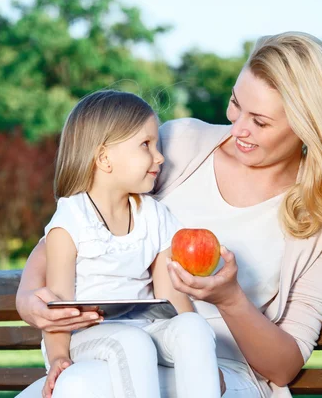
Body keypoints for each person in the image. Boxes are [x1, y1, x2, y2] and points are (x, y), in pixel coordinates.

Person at [16, 31, 322, 397]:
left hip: (224, 374)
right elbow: (74, 229)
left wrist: (230, 299)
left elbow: (284, 366)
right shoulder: (180, 143)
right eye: (235, 104)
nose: (238, 127)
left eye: (260, 121)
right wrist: (30, 298)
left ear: (308, 127)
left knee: (81, 387)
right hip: (127, 345)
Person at [36, 90, 221, 398]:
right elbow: (57, 309)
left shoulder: (154, 215)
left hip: (145, 330)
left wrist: (200, 358)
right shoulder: (71, 220)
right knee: (132, 343)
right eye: (146, 145)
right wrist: (57, 358)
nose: (160, 157)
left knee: (193, 327)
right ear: (104, 158)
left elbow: (171, 298)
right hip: (86, 337)